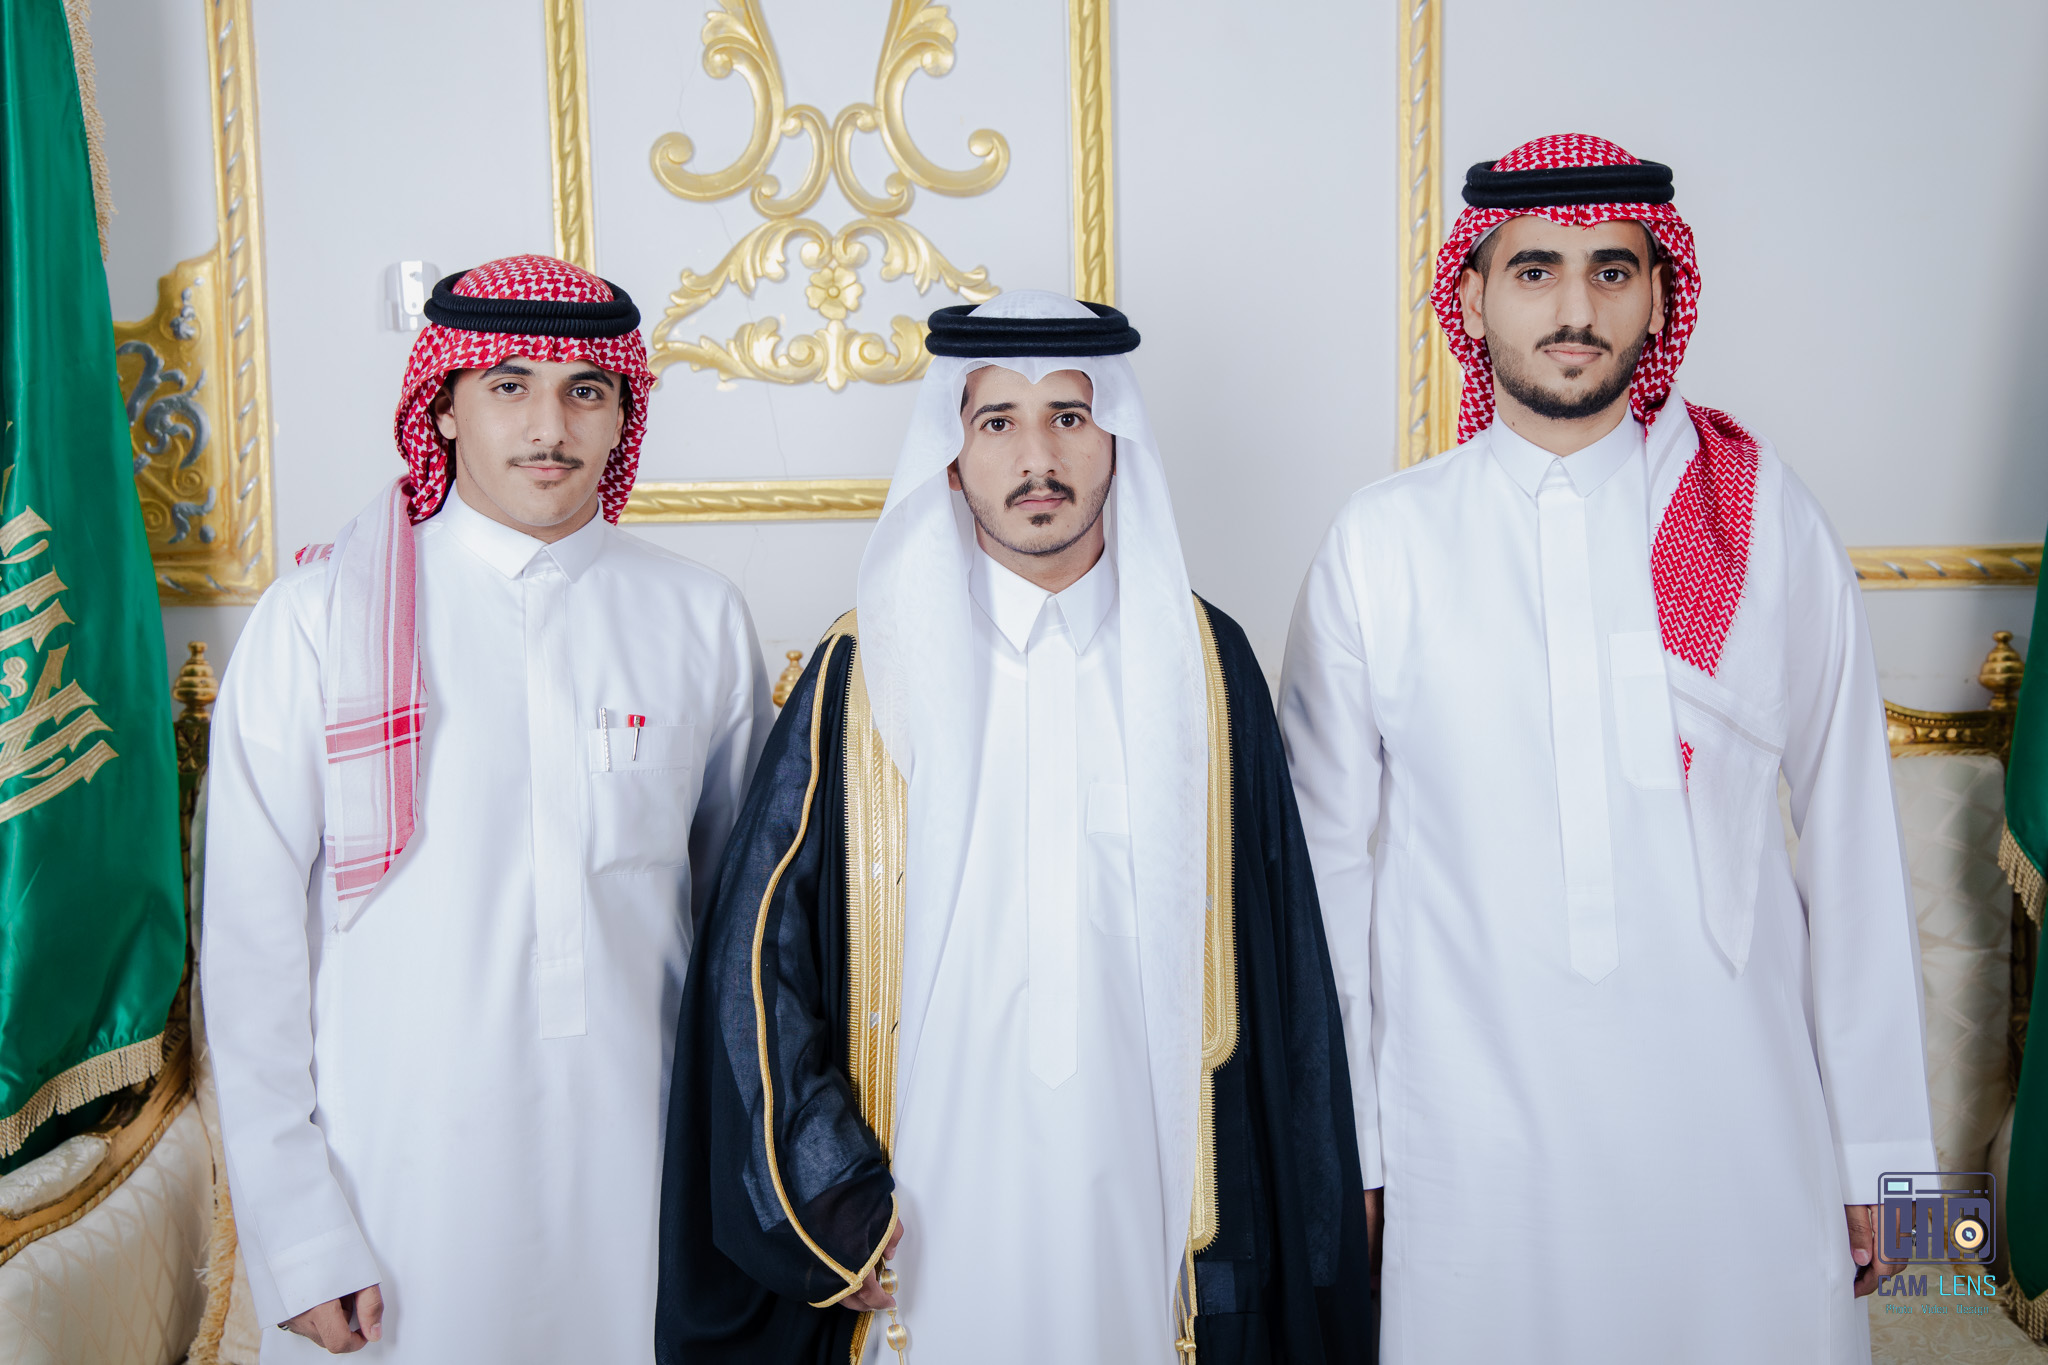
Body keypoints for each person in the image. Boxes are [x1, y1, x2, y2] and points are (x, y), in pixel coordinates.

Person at [1280, 134, 1937, 1364]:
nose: (1573, 309)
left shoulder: (1761, 521)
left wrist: (1888, 1169)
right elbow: (1324, 882)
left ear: (1658, 294)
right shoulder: (1382, 543)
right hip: (1468, 1153)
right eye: (1534, 270)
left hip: (1740, 1141)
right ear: (1471, 296)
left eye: (1610, 270)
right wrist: (1347, 1154)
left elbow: (1853, 840)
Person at [655, 292, 1374, 1364]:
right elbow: (759, 964)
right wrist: (831, 1195)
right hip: (926, 1200)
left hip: (1147, 1187)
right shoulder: (865, 668)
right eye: (997, 422)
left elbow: (1284, 974)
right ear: (951, 457)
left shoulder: (1202, 664)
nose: (1038, 458)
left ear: (1117, 441)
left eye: (1069, 418)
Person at [202, 255, 771, 1360]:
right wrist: (299, 1232)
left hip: (642, 1176)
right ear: (445, 407)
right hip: (390, 1192)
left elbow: (744, 936)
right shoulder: (319, 620)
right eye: (509, 386)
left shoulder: (698, 617)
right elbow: (248, 955)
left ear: (623, 417)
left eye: (584, 391)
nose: (549, 426)